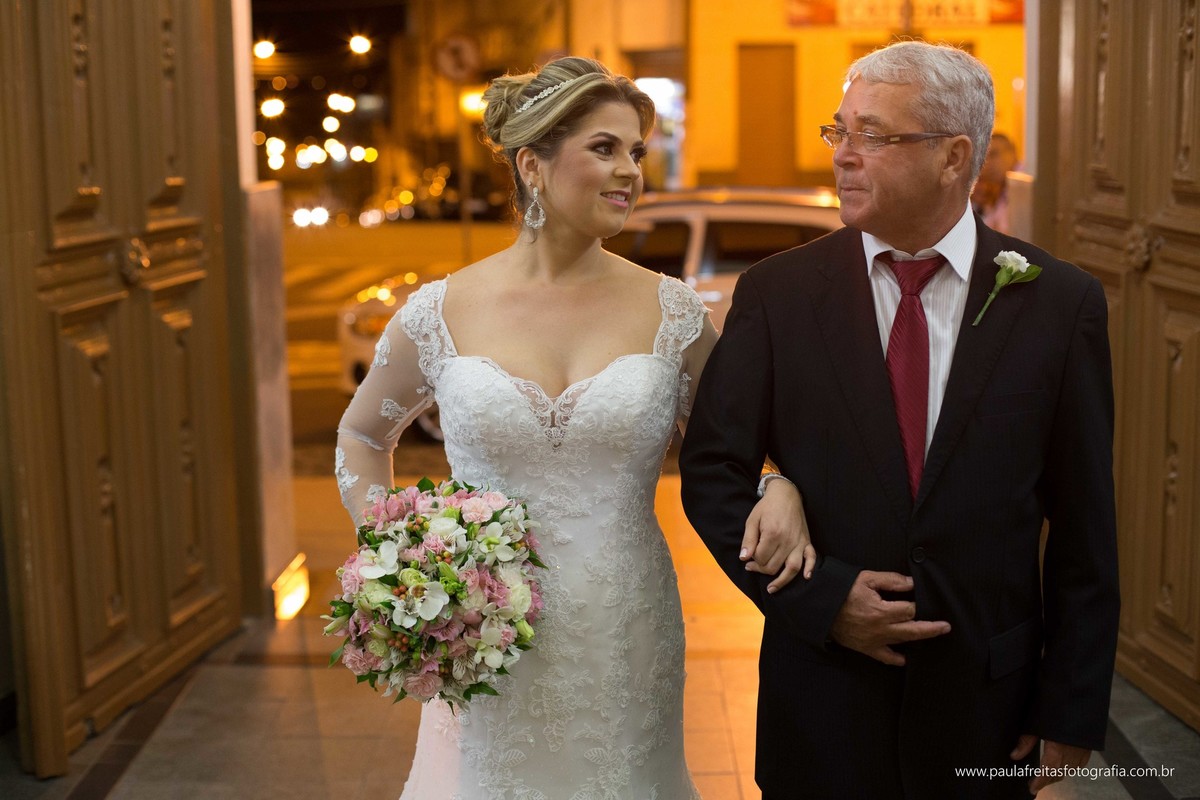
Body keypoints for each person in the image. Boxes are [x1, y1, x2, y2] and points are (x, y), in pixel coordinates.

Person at [334, 56, 814, 799]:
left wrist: (777, 483)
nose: (630, 172)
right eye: (605, 149)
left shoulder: (672, 312)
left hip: (626, 628)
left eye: (636, 153)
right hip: (484, 633)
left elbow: (740, 446)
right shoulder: (440, 312)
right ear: (532, 165)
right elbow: (363, 439)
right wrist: (406, 558)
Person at [679, 41, 1119, 799]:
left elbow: (1085, 529)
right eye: (839, 131)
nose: (843, 156)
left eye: (873, 136)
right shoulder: (778, 295)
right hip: (822, 704)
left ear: (954, 157)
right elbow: (713, 473)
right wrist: (821, 601)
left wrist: (1072, 712)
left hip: (986, 709)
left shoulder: (1059, 304)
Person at [971, 132, 1019, 233]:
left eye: (993, 154)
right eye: (984, 158)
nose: (988, 163)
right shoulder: (1002, 190)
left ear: (1012, 152)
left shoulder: (1023, 182)